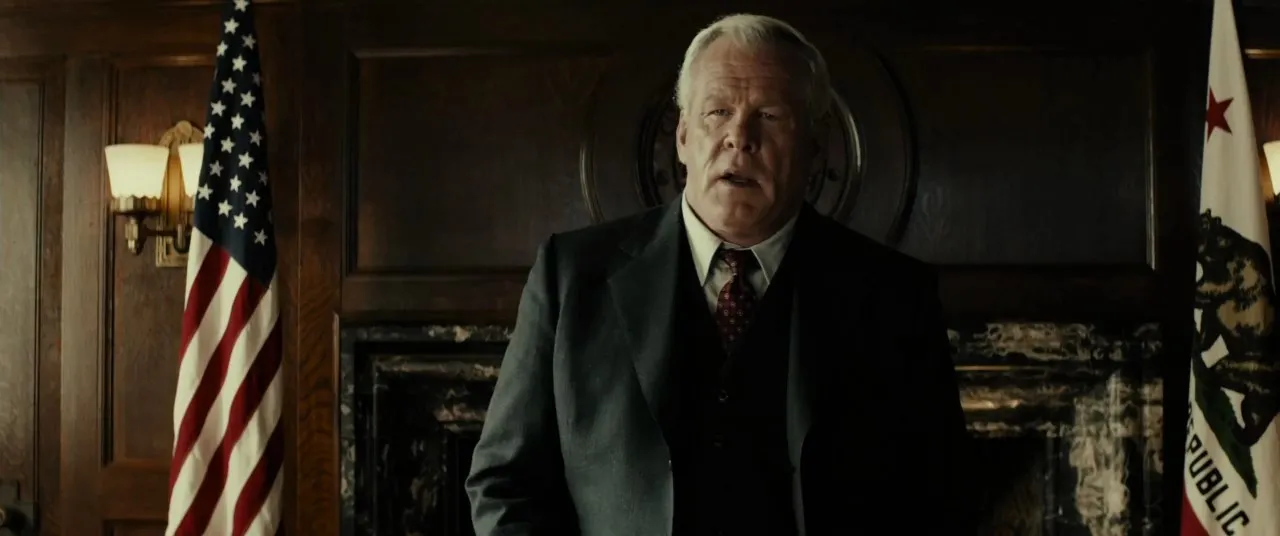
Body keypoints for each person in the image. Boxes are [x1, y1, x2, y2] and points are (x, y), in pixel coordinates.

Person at [466, 13, 971, 536]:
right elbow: (506, 482)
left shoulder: (894, 296)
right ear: (683, 135)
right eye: (718, 112)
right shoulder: (570, 276)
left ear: (814, 145)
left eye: (769, 116)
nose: (739, 138)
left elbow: (940, 500)